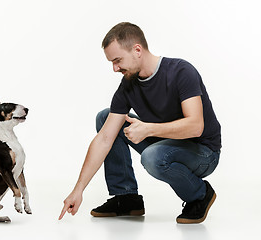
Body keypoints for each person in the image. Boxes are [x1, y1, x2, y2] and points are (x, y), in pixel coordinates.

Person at [58, 22, 221, 224]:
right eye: (111, 62)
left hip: (203, 152)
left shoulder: (181, 72)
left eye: (117, 60)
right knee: (105, 117)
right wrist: (78, 190)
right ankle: (127, 198)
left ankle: (199, 194)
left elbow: (196, 127)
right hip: (166, 142)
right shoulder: (128, 85)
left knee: (151, 156)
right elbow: (104, 138)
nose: (115, 68)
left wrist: (148, 129)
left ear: (137, 50)